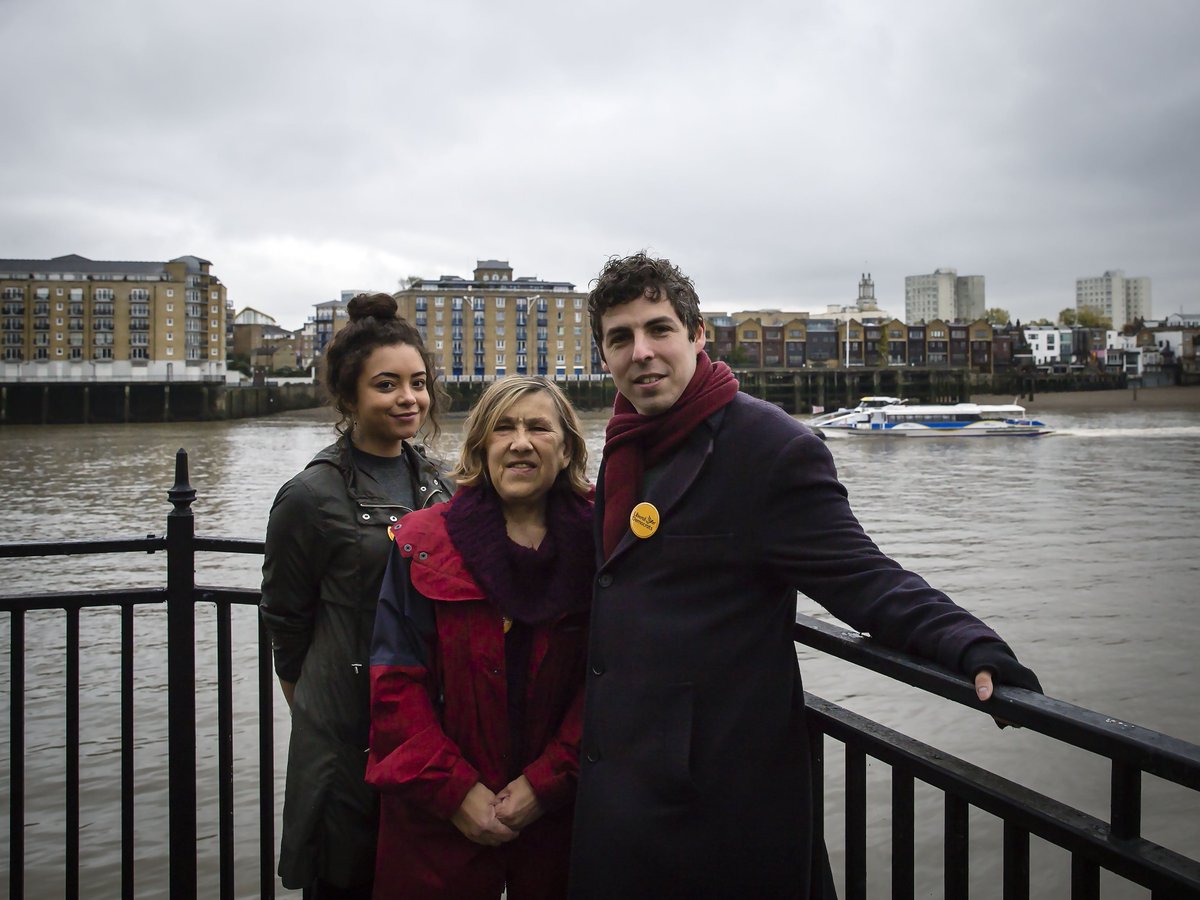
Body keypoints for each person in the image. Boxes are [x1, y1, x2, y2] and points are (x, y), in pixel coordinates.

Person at [568, 253, 1044, 899]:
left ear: (697, 335)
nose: (642, 352)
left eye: (659, 330)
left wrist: (969, 644)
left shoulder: (767, 447)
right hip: (623, 786)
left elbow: (863, 575)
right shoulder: (630, 439)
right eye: (620, 338)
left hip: (712, 801)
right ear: (604, 354)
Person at [366, 376, 595, 899]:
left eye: (539, 427)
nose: (520, 442)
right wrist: (455, 793)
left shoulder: (602, 548)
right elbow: (394, 684)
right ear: (480, 448)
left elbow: (613, 682)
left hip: (565, 818)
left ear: (566, 450)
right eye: (503, 429)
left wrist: (546, 785)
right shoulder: (422, 542)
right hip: (439, 826)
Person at [261, 293, 453, 899]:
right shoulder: (311, 496)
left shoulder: (438, 481)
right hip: (346, 726)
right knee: (346, 874)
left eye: (418, 384)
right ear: (349, 397)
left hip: (426, 719)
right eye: (387, 385)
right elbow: (286, 618)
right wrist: (315, 700)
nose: (409, 399)